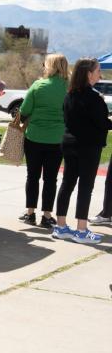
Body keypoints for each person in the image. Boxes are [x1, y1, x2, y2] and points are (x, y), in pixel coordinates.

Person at [51, 58, 110, 244]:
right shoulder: (94, 97)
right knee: (85, 187)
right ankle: (81, 230)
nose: (100, 74)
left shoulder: (70, 94)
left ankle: (61, 227)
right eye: (98, 70)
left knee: (67, 183)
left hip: (69, 144)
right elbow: (103, 123)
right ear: (88, 73)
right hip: (88, 148)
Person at [18, 53, 68, 228]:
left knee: (32, 176)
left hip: (34, 138)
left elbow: (24, 111)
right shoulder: (69, 88)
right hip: (57, 139)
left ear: (50, 66)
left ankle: (30, 213)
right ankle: (47, 215)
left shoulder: (38, 85)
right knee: (50, 179)